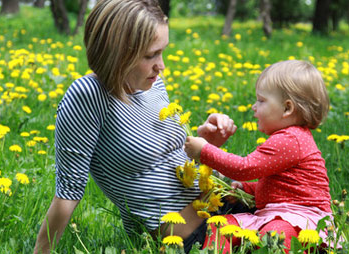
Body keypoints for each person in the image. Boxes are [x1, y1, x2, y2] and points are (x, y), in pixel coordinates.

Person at [33, 1, 237, 253]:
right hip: (187, 233)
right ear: (116, 53)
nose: (161, 66)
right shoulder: (88, 95)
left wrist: (206, 143)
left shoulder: (152, 84)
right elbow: (68, 190)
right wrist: (41, 251)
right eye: (150, 55)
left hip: (221, 200)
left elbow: (163, 160)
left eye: (162, 52)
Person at [185, 60, 333, 253]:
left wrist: (204, 151)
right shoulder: (289, 137)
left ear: (287, 109)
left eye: (261, 101)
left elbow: (244, 168)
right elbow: (282, 187)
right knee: (219, 225)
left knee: (275, 234)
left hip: (300, 218)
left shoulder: (290, 139)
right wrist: (246, 188)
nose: (254, 107)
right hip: (276, 213)